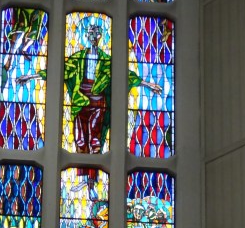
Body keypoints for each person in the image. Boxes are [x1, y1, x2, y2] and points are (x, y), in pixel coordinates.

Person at [18, 19, 162, 156]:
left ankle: (94, 171)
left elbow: (127, 75)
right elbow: (58, 71)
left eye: (97, 33)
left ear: (101, 37)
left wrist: (148, 85)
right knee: (80, 139)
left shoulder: (106, 61)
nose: (94, 36)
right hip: (80, 100)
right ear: (86, 36)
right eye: (91, 33)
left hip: (98, 102)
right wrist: (30, 77)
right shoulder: (77, 58)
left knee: (95, 138)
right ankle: (82, 171)